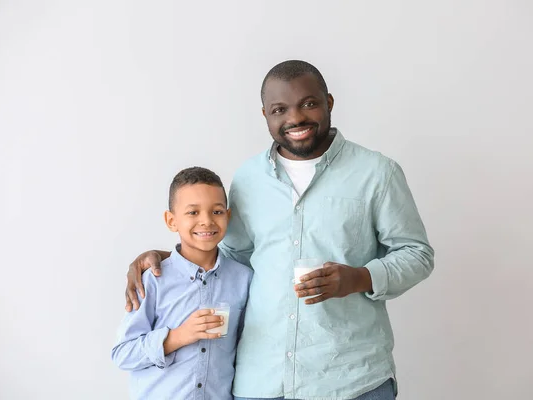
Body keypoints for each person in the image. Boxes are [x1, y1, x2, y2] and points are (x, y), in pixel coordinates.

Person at [125, 60, 434, 400]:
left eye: (309, 103)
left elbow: (417, 254)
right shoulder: (248, 179)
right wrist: (170, 258)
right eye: (279, 109)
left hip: (350, 380)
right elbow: (229, 257)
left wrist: (358, 278)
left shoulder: (377, 173)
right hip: (262, 380)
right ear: (265, 115)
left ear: (329, 102)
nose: (295, 118)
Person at [112, 167, 252, 400]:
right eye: (193, 212)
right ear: (171, 220)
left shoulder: (243, 279)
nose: (206, 221)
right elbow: (122, 354)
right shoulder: (153, 280)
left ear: (228, 217)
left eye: (216, 212)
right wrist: (178, 336)